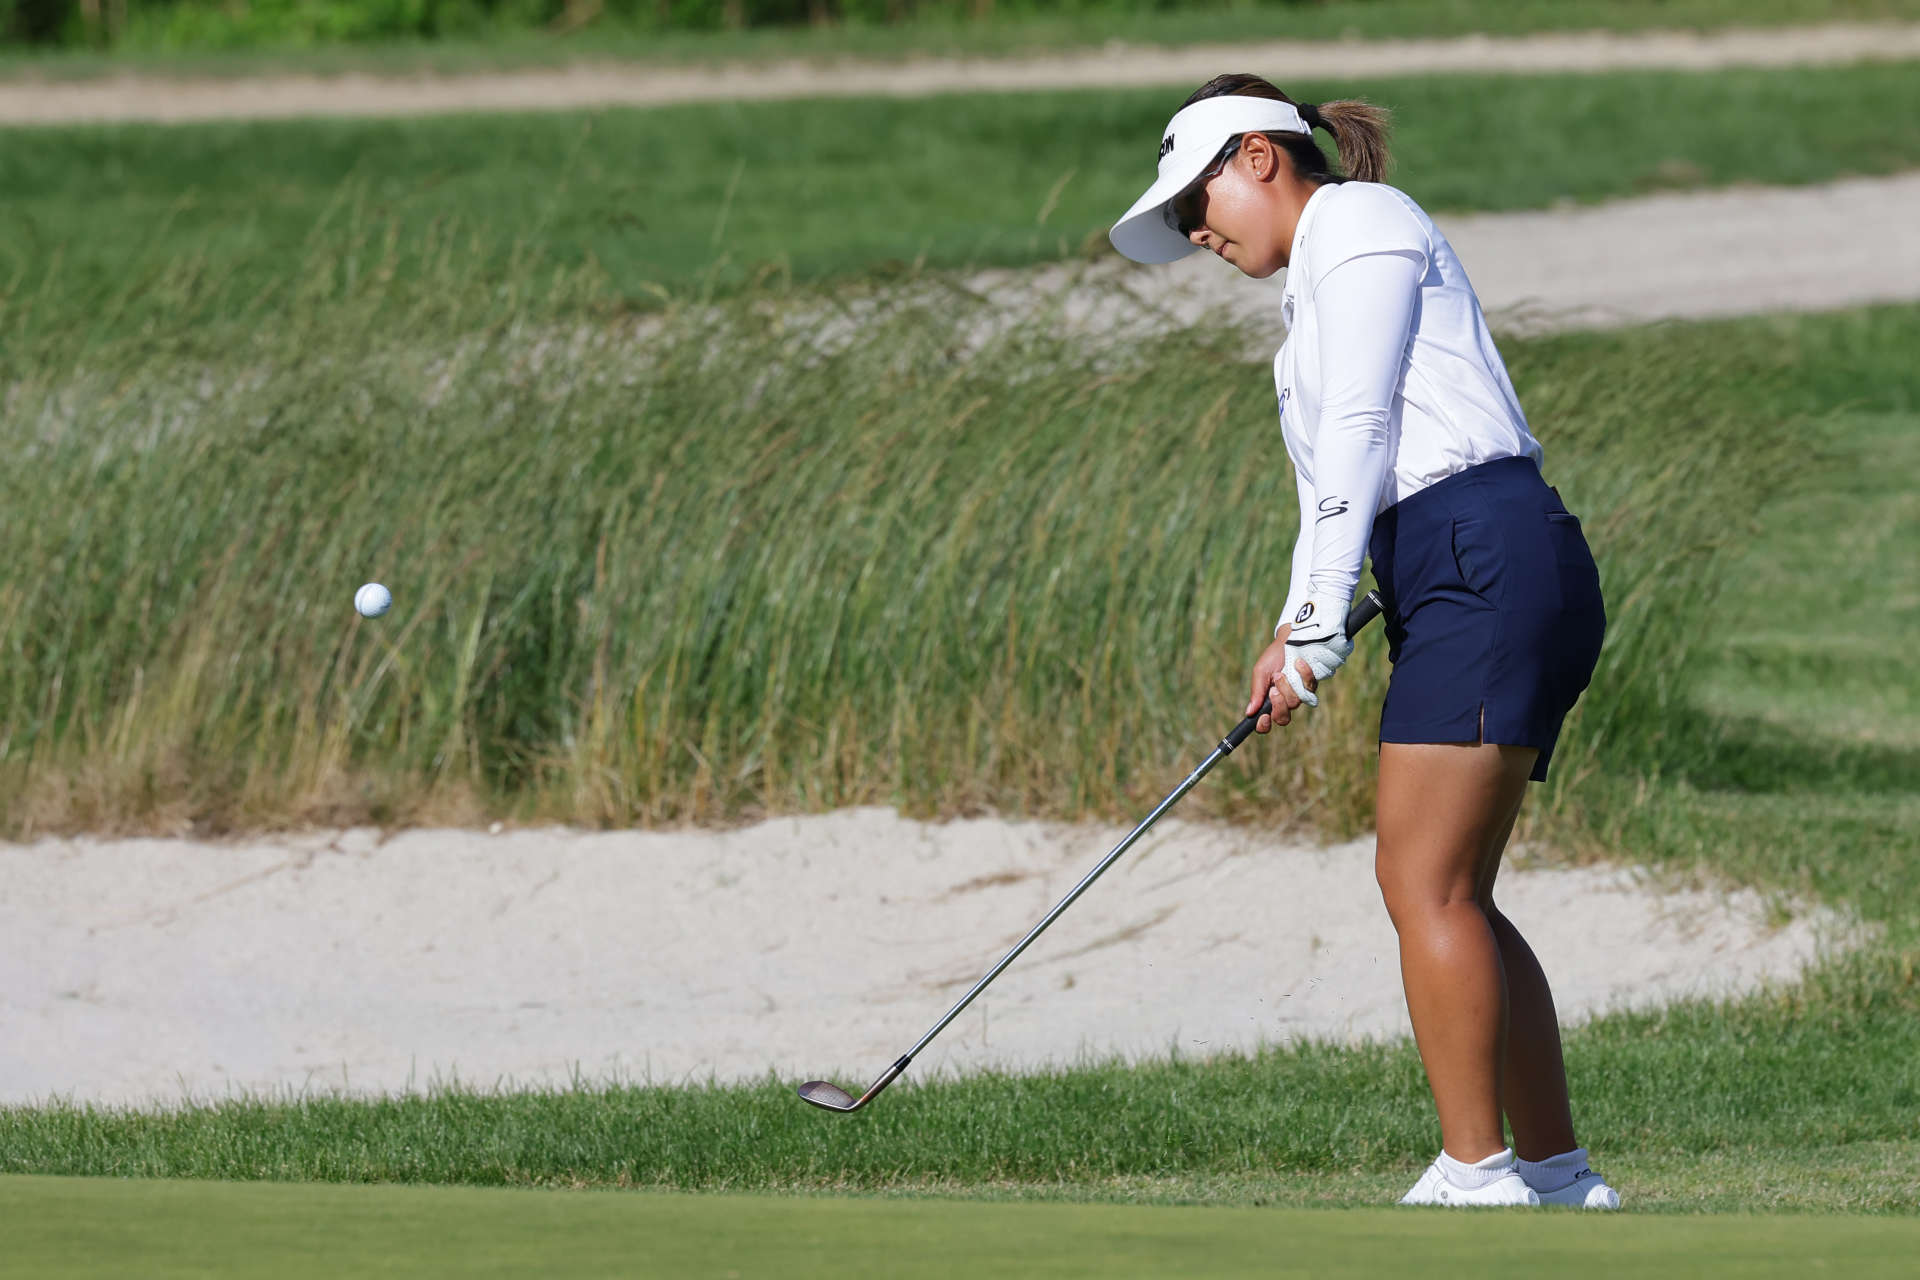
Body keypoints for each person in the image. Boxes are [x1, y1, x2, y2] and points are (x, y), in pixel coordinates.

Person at [1109, 76, 1617, 1210]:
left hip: (1481, 546)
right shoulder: (1314, 296)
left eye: (1199, 199)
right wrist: (1295, 623)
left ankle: (1477, 1171)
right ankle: (1554, 1172)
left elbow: (1365, 428)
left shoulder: (1365, 222)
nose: (1197, 230)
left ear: (1258, 155)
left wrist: (1324, 622)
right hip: (1460, 558)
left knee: (1419, 876)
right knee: (1456, 889)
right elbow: (1336, 482)